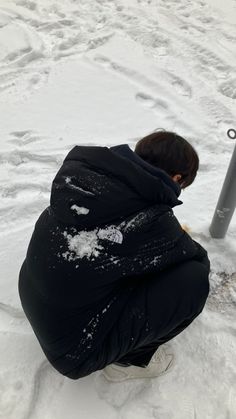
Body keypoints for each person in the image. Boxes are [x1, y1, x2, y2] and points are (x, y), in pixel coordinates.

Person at [18, 130, 210, 381]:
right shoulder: (151, 221)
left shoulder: (80, 181)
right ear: (176, 178)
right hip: (76, 352)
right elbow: (196, 257)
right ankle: (127, 362)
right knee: (194, 279)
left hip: (35, 300)